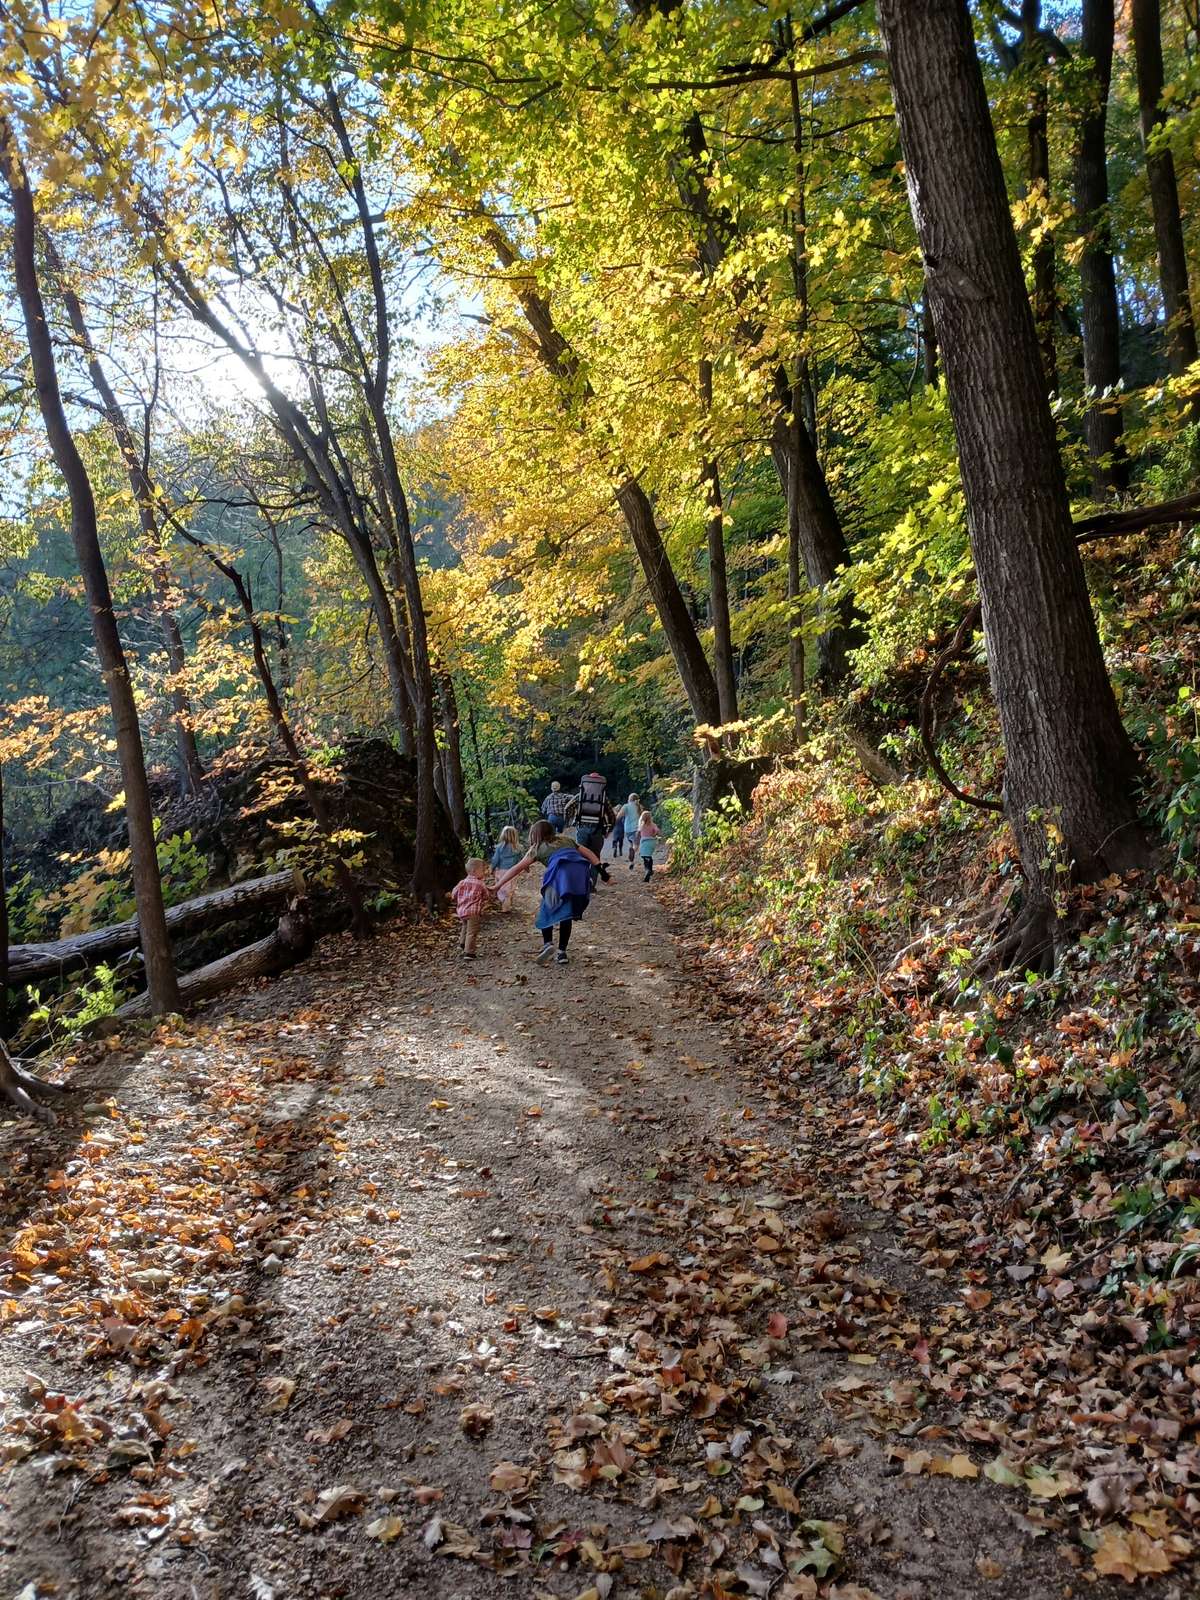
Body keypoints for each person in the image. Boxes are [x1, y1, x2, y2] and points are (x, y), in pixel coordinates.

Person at [494, 819, 600, 966]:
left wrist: (497, 885)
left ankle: (548, 944)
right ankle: (562, 952)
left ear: (535, 834)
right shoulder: (567, 840)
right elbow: (588, 853)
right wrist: (603, 872)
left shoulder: (537, 848)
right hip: (574, 882)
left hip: (556, 882)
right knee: (566, 916)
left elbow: (516, 869)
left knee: (546, 912)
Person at [566, 771, 613, 885]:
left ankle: (581, 882)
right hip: (597, 829)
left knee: (581, 855)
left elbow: (567, 808)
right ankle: (592, 884)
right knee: (595, 857)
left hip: (582, 828)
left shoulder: (580, 796)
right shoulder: (603, 798)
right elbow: (611, 815)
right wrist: (608, 830)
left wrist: (571, 820)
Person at [448, 858, 493, 957]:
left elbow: (453, 894)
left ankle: (462, 944)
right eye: (483, 870)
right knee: (472, 932)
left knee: (464, 927)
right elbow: (486, 895)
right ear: (474, 871)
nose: (484, 873)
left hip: (462, 911)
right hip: (473, 912)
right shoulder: (480, 883)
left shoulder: (462, 882)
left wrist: (459, 899)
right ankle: (469, 952)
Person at [490, 825, 523, 913]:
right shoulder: (518, 848)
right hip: (513, 872)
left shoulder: (499, 848)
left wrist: (492, 868)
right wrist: (526, 868)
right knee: (510, 888)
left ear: (503, 835)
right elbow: (522, 860)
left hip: (501, 871)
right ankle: (508, 902)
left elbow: (495, 860)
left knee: (502, 888)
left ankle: (505, 906)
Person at [637, 810, 661, 882]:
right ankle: (650, 869)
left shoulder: (642, 825)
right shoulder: (653, 825)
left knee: (644, 856)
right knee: (649, 856)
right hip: (651, 841)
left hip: (644, 842)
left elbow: (638, 833)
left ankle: (647, 870)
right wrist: (654, 835)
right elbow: (657, 831)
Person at [622, 793, 641, 868]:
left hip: (627, 829)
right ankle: (632, 854)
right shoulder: (639, 807)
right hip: (636, 829)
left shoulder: (626, 806)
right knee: (635, 846)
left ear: (629, 799)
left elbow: (619, 816)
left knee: (631, 845)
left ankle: (631, 862)